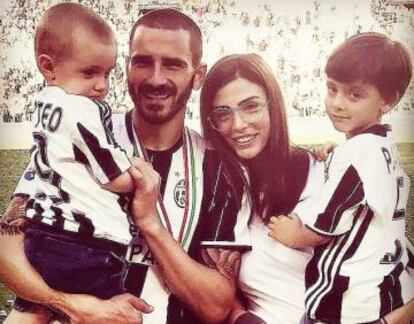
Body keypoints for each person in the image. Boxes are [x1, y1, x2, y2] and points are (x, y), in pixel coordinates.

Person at [0, 8, 250, 324]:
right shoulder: (78, 133)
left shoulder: (219, 169)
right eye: (142, 62)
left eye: (173, 64)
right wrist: (71, 305)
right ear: (127, 66)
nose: (156, 78)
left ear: (197, 76)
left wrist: (150, 224)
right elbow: (6, 247)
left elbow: (215, 307)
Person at [199, 52, 414, 324]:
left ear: (273, 105)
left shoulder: (323, 175)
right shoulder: (215, 191)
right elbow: (218, 298)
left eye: (251, 106)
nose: (238, 124)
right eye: (222, 113)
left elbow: (399, 262)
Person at [267, 32, 414, 323]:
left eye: (354, 95)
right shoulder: (384, 146)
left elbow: (325, 227)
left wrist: (293, 235)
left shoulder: (356, 154)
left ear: (387, 101)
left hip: (348, 304)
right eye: (332, 89)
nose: (337, 103)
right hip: (383, 290)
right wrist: (336, 155)